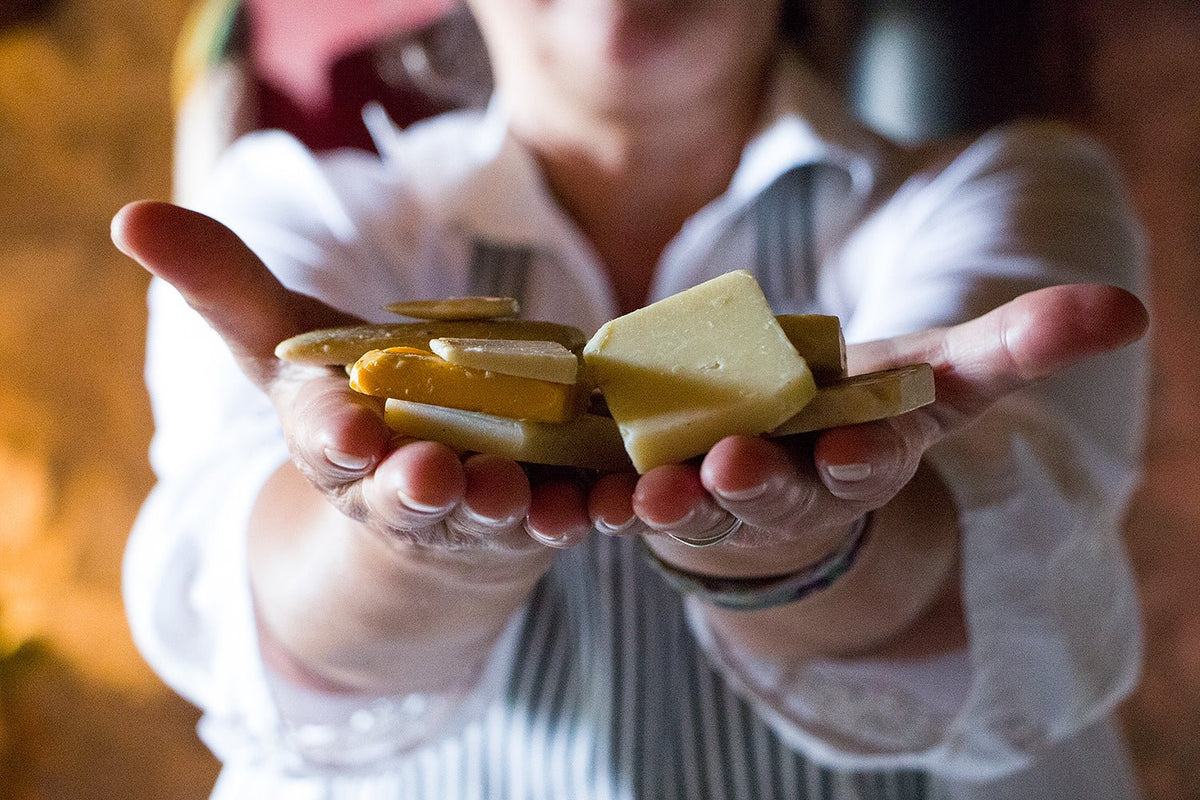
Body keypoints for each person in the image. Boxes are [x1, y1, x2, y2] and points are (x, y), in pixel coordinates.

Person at [111, 0, 1152, 798]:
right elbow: (254, 607)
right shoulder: (297, 203)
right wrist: (415, 543)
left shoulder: (1008, 189)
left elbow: (1013, 577)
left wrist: (798, 544)